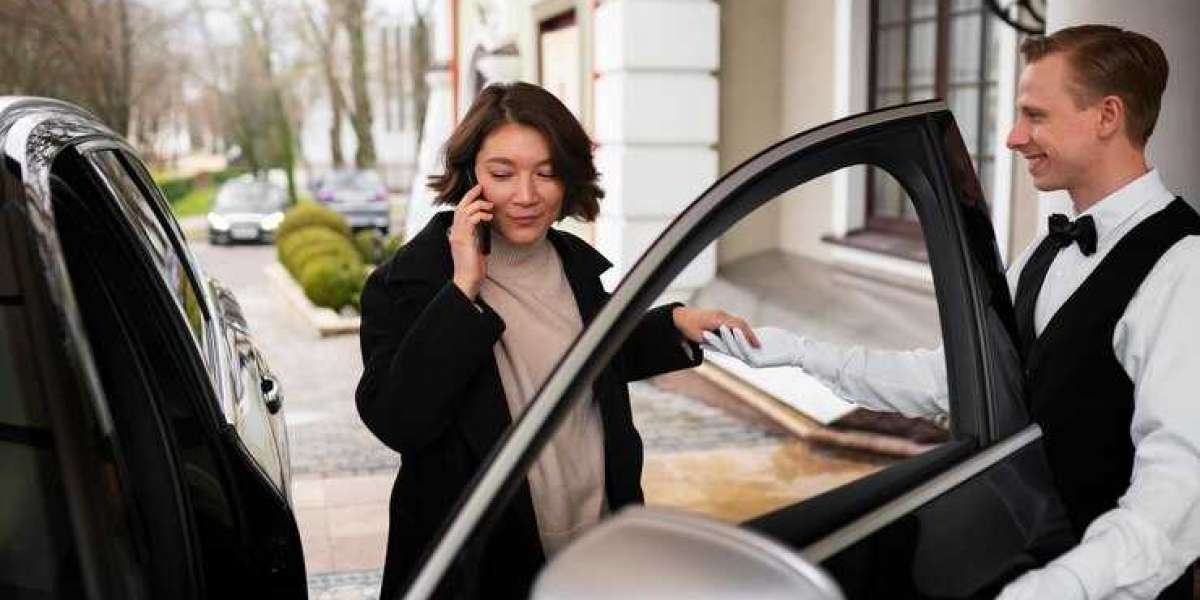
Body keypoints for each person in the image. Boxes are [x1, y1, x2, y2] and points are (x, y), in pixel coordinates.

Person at [706, 25, 1200, 600]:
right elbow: (949, 379)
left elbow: (1179, 491)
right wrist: (792, 352)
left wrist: (1057, 588)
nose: (1014, 137)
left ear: (1107, 115)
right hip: (1021, 552)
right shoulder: (1045, 254)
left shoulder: (1184, 266)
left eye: (1035, 115)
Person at [355, 81, 756, 599]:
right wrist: (461, 292)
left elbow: (589, 354)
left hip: (597, 542)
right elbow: (399, 420)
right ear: (471, 174)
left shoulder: (575, 265)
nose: (526, 195)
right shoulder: (407, 284)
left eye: (546, 173)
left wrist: (674, 325)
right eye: (503, 173)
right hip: (480, 568)